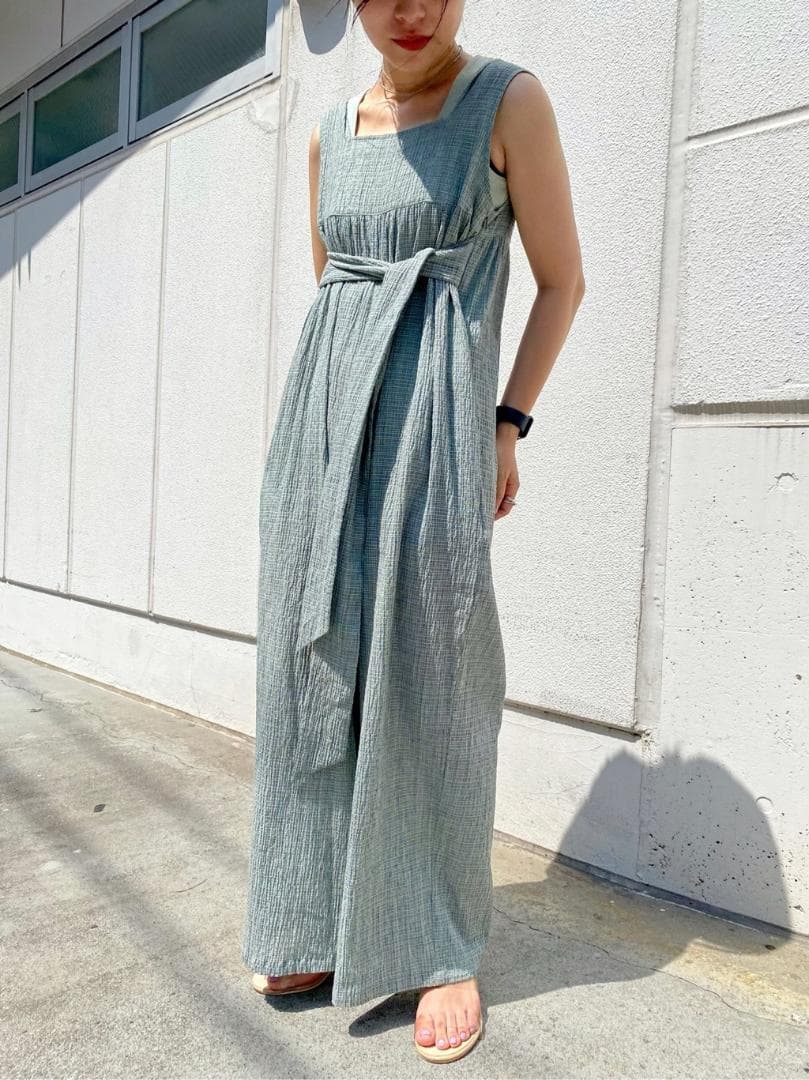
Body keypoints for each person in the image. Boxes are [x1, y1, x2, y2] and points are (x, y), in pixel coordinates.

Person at [241, 0, 585, 1065]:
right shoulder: (326, 134)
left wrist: (505, 424)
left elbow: (562, 281)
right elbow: (334, 294)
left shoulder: (505, 102)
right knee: (310, 670)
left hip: (439, 425)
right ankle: (309, 916)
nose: (411, 9)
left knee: (435, 673)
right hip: (321, 431)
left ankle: (437, 945)